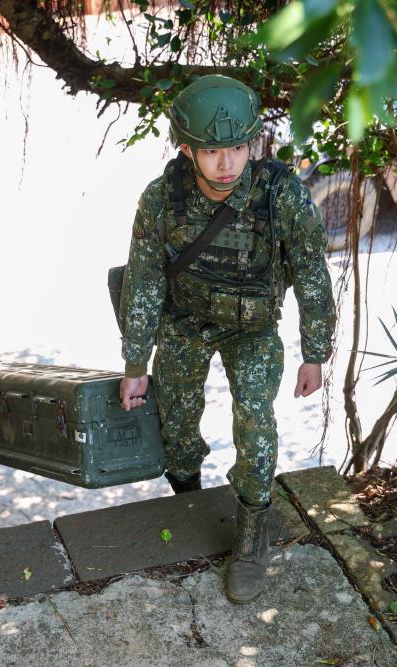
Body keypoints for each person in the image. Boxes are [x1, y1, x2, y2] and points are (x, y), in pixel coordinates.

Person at [117, 75, 336, 603]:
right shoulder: (163, 198)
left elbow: (309, 270)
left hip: (253, 327)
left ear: (253, 143)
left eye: (238, 147)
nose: (227, 163)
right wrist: (134, 362)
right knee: (175, 417)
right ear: (189, 148)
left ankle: (253, 528)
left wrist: (315, 352)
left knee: (256, 417)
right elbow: (144, 278)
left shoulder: (280, 193)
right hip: (185, 323)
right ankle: (187, 496)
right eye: (213, 151)